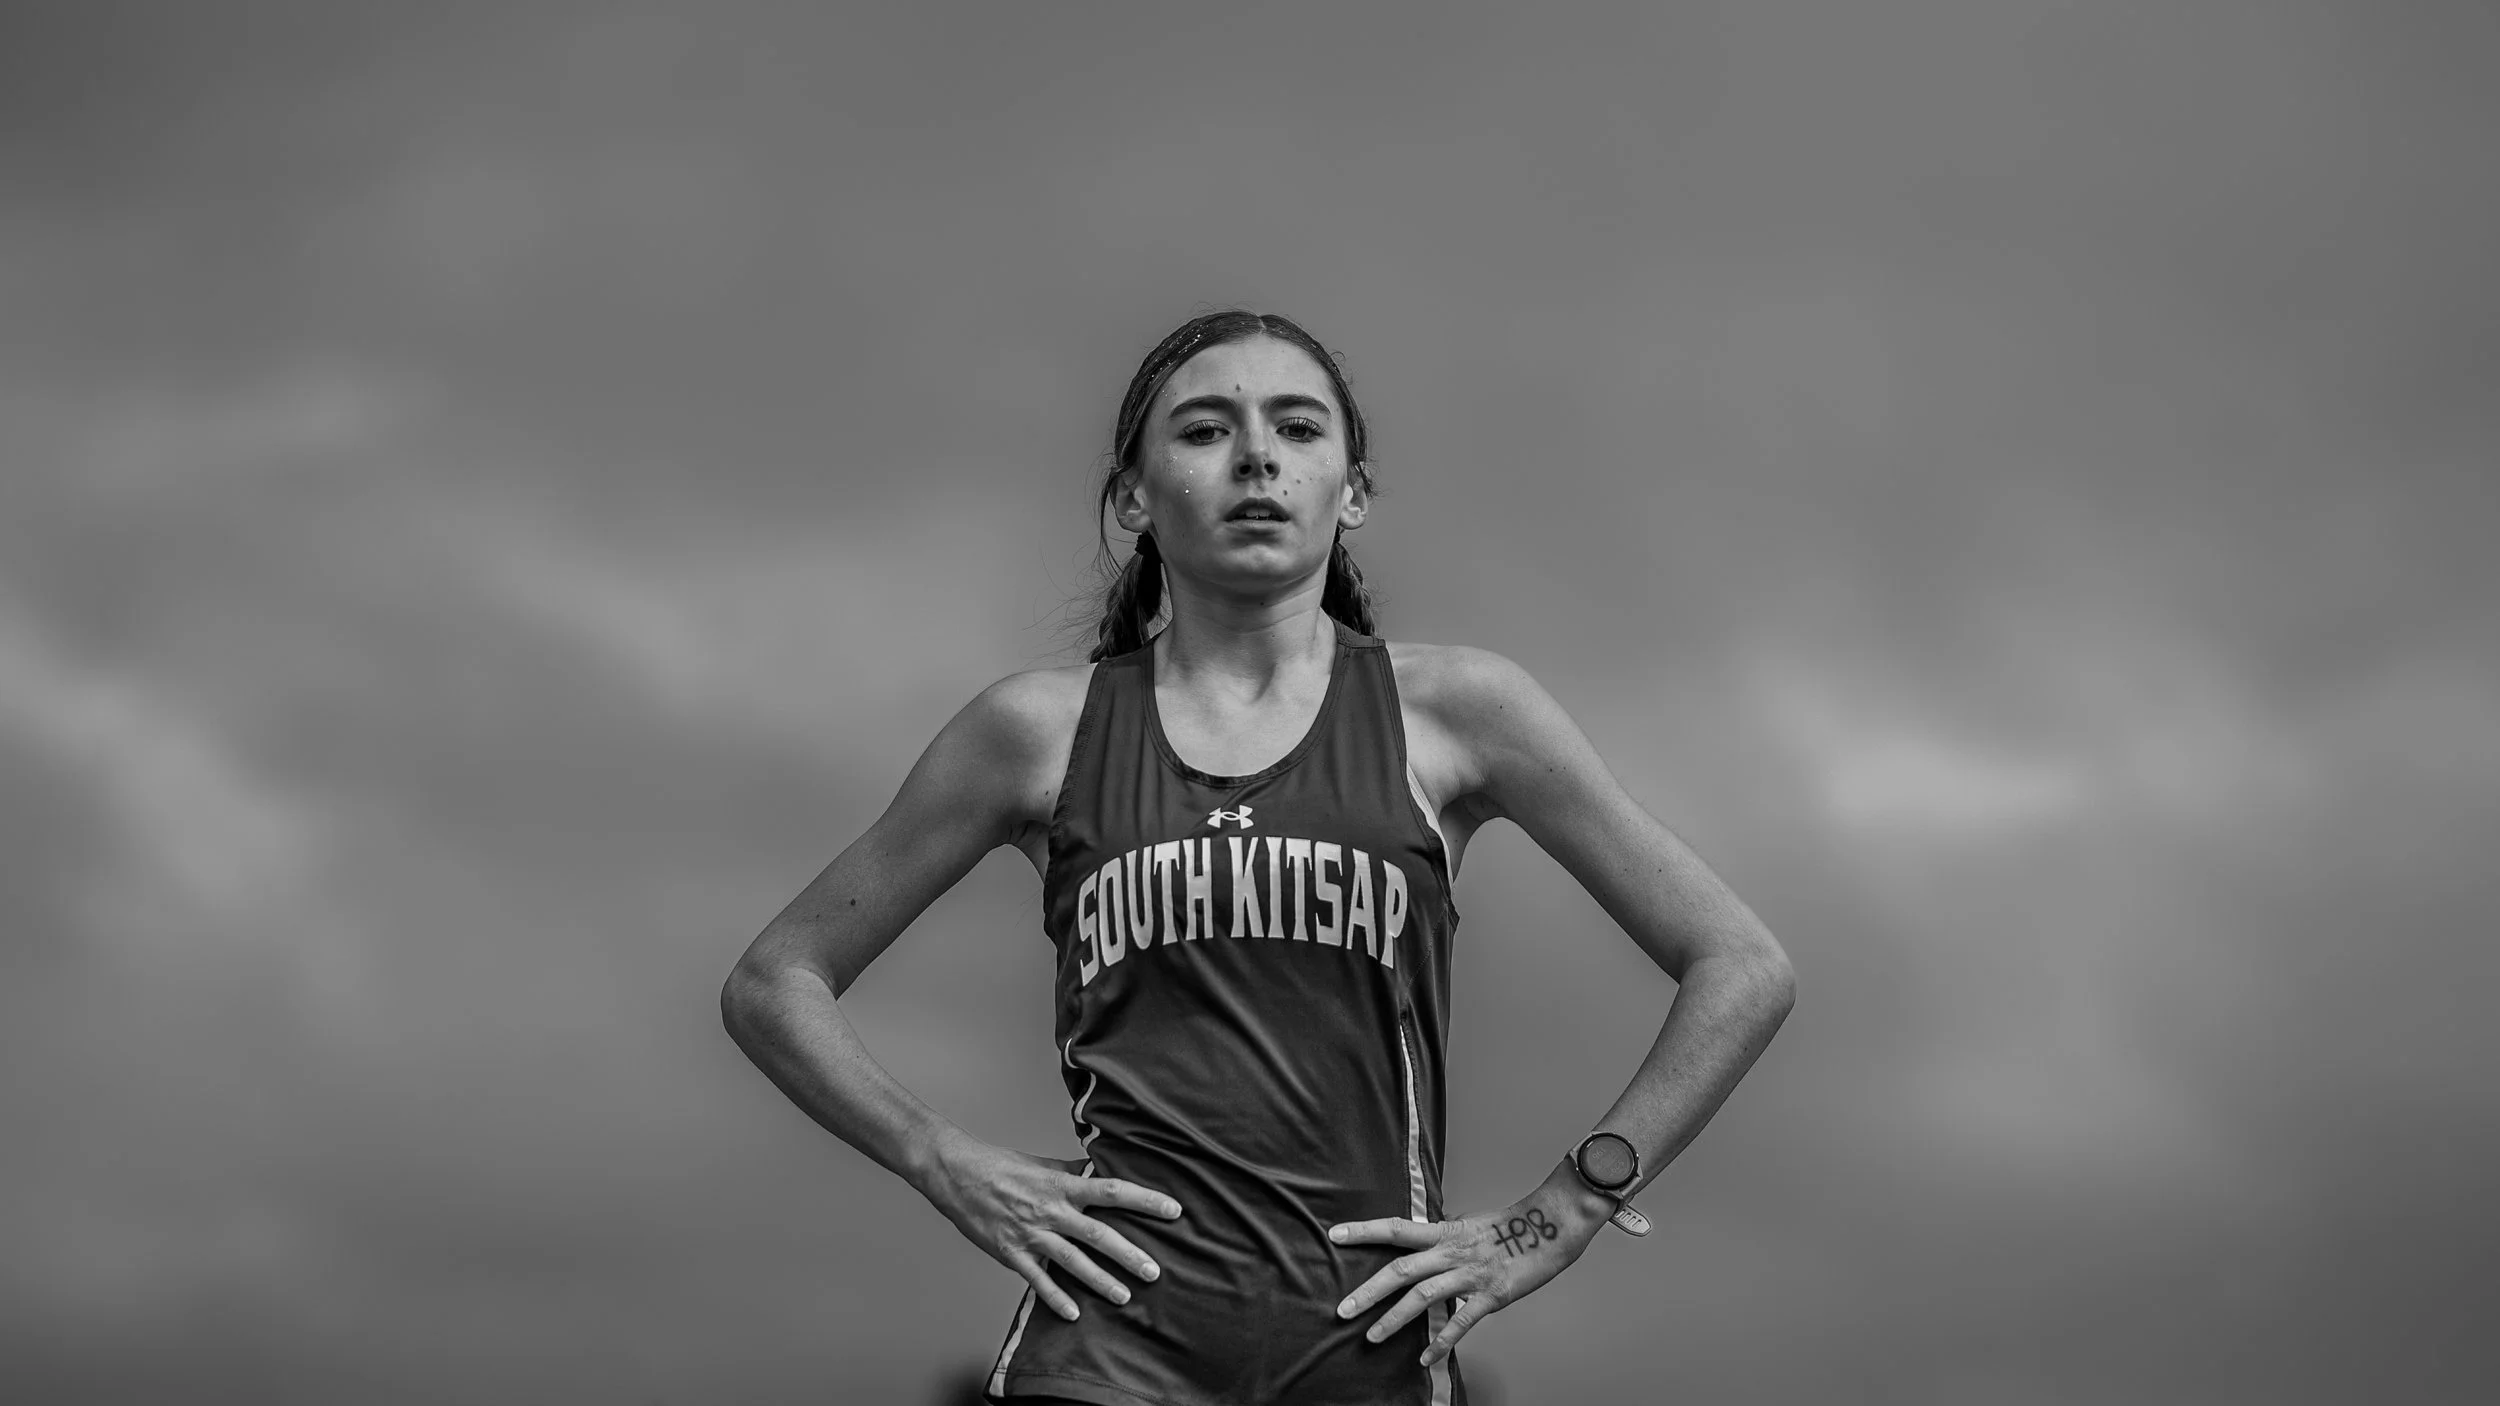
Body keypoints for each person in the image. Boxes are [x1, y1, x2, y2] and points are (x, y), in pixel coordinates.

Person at [721, 310, 1797, 1406]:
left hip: (1374, 1359)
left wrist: (1563, 1210)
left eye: (1295, 425)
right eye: (1203, 429)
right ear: (1134, 497)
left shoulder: (1459, 711)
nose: (1255, 456)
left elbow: (1739, 965)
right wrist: (938, 1157)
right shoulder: (1037, 731)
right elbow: (775, 979)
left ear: (1354, 489)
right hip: (1100, 1359)